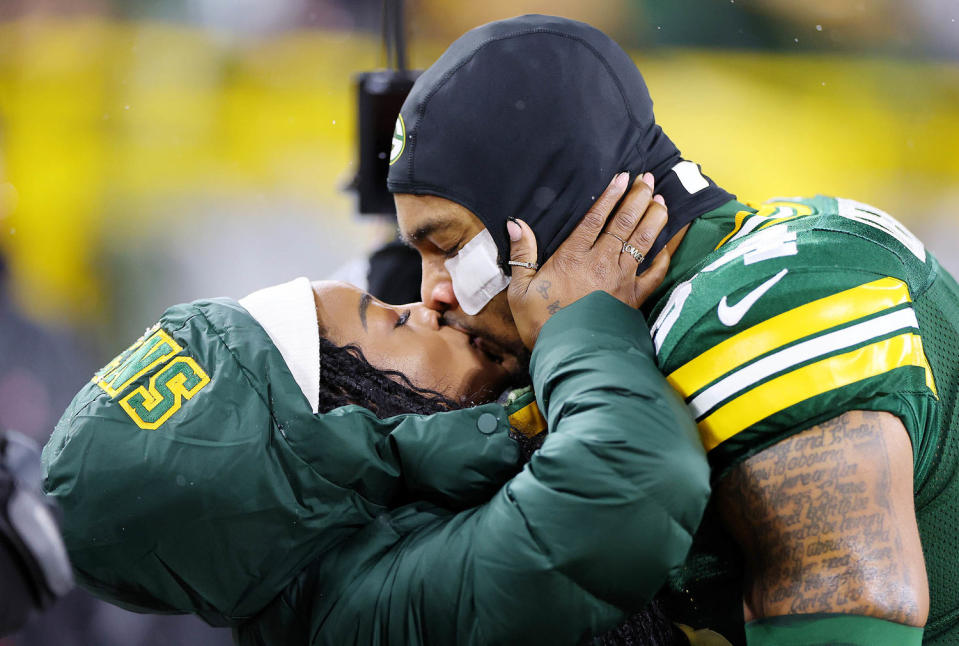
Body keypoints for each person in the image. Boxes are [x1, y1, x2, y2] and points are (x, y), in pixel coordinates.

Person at [386, 14, 959, 646]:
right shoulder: (637, 330)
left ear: (544, 213)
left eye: (448, 246)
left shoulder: (765, 303)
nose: (431, 295)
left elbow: (843, 635)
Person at [42, 182, 711, 645]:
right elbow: (632, 477)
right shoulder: (366, 611)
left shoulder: (334, 567)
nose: (428, 304)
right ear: (337, 419)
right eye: (390, 318)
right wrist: (584, 323)